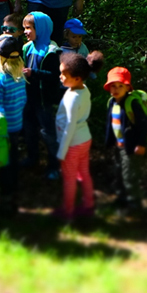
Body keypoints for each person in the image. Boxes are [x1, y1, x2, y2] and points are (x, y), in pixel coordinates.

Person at [102, 65, 147, 209]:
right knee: (118, 172)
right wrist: (109, 141)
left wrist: (141, 144)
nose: (116, 89)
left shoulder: (132, 104)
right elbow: (110, 125)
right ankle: (121, 198)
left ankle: (134, 202)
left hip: (132, 148)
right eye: (113, 86)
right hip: (118, 146)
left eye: (120, 86)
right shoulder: (112, 103)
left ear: (127, 88)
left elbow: (145, 125)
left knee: (129, 175)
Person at [0, 35, 29, 217]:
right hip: (17, 124)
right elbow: (22, 100)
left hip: (3, 128)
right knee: (13, 160)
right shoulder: (20, 75)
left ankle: (5, 198)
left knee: (3, 164)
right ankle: (14, 194)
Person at [21, 11, 61, 179]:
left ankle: (54, 166)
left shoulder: (52, 51)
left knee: (48, 133)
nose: (25, 32)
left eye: (29, 28)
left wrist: (34, 73)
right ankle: (32, 158)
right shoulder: (27, 48)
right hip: (29, 98)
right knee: (29, 130)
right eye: (24, 28)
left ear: (41, 28)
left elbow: (54, 77)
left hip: (44, 100)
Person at [55, 51, 95, 221]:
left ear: (78, 78)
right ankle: (88, 205)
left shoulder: (72, 97)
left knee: (70, 178)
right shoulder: (83, 89)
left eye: (64, 74)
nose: (60, 77)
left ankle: (68, 211)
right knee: (84, 173)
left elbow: (69, 128)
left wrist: (61, 153)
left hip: (72, 143)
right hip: (84, 138)